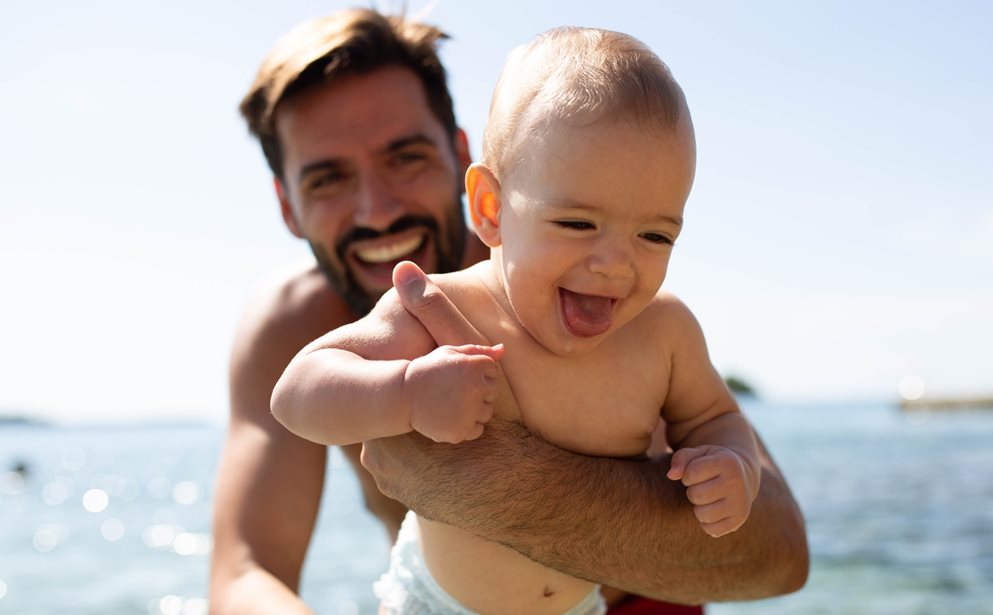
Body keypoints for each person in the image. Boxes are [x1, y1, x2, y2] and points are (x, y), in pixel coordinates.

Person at [209, 8, 808, 615]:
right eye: (327, 178)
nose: (378, 209)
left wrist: (503, 481)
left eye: (406, 156)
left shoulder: (649, 322)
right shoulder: (387, 313)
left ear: (460, 155)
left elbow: (780, 552)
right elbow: (246, 571)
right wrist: (406, 391)